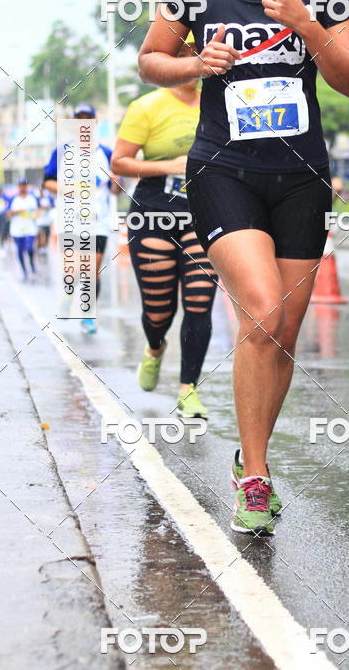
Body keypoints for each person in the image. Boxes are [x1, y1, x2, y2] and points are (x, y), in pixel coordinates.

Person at [137, 0, 349, 535]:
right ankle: (260, 474)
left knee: (284, 333)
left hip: (301, 177)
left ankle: (249, 458)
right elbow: (151, 58)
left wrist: (307, 23)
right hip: (222, 170)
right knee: (263, 313)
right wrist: (193, 62)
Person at [111, 32, 218, 420]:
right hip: (154, 209)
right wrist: (171, 166)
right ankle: (154, 346)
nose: (192, 59)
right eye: (183, 52)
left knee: (200, 301)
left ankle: (189, 388)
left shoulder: (218, 102)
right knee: (159, 310)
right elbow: (120, 163)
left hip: (205, 210)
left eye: (197, 51)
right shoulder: (146, 106)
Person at [43, 103, 121, 333]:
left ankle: (88, 315)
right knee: (73, 269)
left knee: (92, 269)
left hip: (98, 221)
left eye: (88, 118)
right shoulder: (62, 151)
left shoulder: (106, 153)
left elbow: (116, 188)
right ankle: (68, 298)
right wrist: (68, 187)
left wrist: (117, 183)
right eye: (79, 118)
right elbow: (47, 181)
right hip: (70, 219)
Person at [7, 178, 38, 281]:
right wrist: (16, 211)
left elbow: (38, 211)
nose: (22, 187)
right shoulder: (13, 199)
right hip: (17, 230)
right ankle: (24, 270)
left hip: (30, 229)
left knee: (29, 248)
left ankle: (32, 264)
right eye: (20, 185)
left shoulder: (32, 198)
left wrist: (34, 215)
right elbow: (7, 214)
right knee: (20, 251)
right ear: (18, 186)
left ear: (27, 186)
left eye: (24, 185)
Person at [36, 186, 55, 254]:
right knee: (41, 234)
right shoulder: (37, 198)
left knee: (47, 234)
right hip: (39, 220)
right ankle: (40, 247)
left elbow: (53, 205)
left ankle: (45, 246)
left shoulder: (48, 198)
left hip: (47, 220)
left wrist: (47, 207)